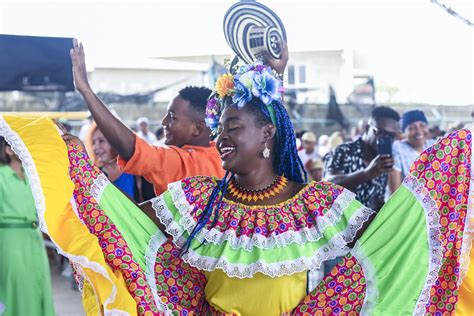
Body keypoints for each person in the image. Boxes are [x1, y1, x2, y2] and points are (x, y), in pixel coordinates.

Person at [2, 61, 473, 314]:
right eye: (218, 129)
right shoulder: (199, 199)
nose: (220, 138)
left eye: (232, 128)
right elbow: (120, 223)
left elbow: (392, 238)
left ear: (267, 135)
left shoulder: (317, 204)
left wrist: (446, 176)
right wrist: (75, 170)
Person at [70, 39, 225, 195]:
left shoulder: (181, 162)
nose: (164, 122)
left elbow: (133, 149)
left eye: (172, 117)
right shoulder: (225, 158)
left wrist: (86, 90)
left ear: (197, 128)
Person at [0, 137, 55, 316]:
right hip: (9, 242)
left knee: (38, 284)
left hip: (34, 239)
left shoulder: (33, 175)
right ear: (8, 150)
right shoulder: (1, 176)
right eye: (18, 145)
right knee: (16, 287)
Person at [323, 106, 400, 211]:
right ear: (367, 128)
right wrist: (367, 173)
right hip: (338, 224)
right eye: (381, 132)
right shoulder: (343, 151)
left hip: (368, 225)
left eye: (391, 135)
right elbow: (327, 185)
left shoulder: (382, 160)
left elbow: (376, 199)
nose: (386, 138)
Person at [86, 122, 144, 202]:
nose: (95, 147)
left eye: (101, 141)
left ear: (116, 142)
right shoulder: (93, 175)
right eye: (93, 142)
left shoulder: (136, 172)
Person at [387, 110, 435, 194]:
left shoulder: (434, 145)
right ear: (403, 133)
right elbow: (395, 192)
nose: (418, 131)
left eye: (422, 125)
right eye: (411, 128)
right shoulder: (398, 148)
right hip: (405, 202)